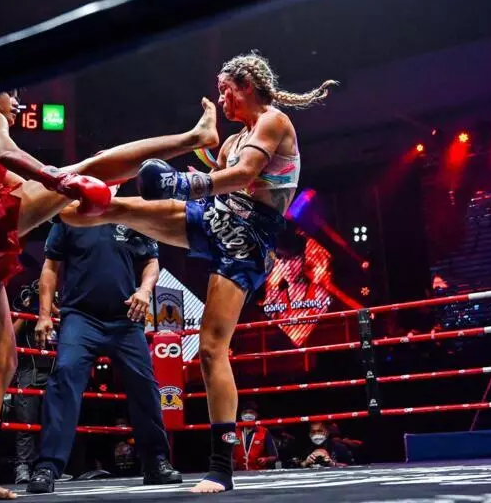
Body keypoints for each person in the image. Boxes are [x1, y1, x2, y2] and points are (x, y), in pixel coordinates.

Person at [61, 52, 337, 492]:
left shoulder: (274, 122)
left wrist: (181, 183)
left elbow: (244, 175)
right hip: (214, 217)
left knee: (210, 349)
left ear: (247, 85)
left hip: (247, 239)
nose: (222, 98)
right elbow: (221, 180)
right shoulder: (234, 140)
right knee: (107, 208)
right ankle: (50, 192)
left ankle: (221, 469)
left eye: (226, 90)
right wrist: (193, 173)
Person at [0, 89, 217, 501]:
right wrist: (64, 179)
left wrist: (83, 195)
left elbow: (44, 201)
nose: (16, 104)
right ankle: (194, 137)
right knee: (95, 164)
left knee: (1, 365)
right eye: (11, 95)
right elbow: (12, 154)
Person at [25, 185, 181, 493]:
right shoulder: (69, 215)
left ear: (118, 183)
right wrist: (44, 314)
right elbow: (50, 266)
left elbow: (151, 262)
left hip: (125, 320)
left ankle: (156, 462)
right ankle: (47, 467)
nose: (107, 181)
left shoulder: (132, 215)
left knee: (144, 383)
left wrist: (144, 291)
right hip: (80, 317)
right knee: (64, 375)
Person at [9, 282, 53, 484]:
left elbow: (68, 325)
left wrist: (50, 306)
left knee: (54, 422)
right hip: (29, 371)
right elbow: (10, 334)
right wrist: (26, 310)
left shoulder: (55, 310)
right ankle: (23, 467)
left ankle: (49, 466)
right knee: (26, 423)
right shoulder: (25, 314)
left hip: (54, 371)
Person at [233, 401, 278, 471]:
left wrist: (266, 459)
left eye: (251, 412)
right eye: (245, 412)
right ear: (241, 415)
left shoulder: (264, 432)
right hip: (238, 472)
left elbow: (274, 456)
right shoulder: (235, 432)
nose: (248, 415)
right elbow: (228, 453)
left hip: (259, 472)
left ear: (256, 415)